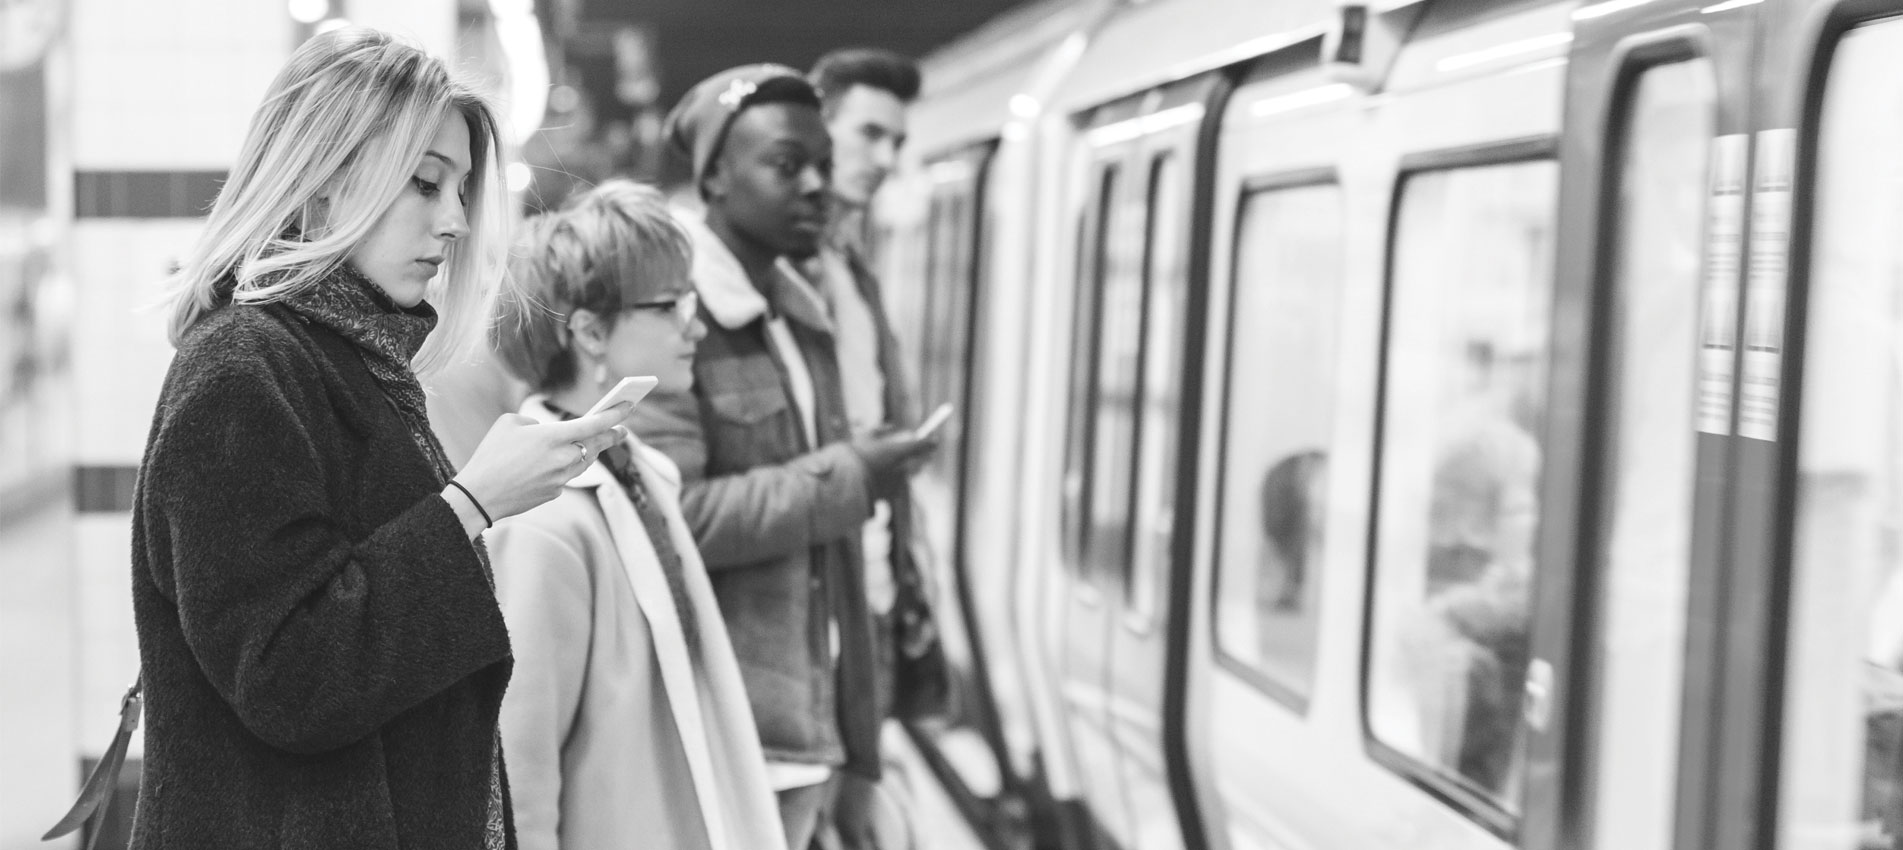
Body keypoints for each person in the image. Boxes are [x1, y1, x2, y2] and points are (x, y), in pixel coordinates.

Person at [129, 28, 632, 849]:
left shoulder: (344, 357)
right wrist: (470, 503)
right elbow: (290, 676)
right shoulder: (242, 371)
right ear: (322, 182)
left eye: (463, 190)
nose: (457, 222)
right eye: (425, 184)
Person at [638, 64, 937, 850]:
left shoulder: (801, 318)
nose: (816, 186)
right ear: (715, 177)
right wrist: (856, 475)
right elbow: (673, 520)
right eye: (784, 164)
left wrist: (860, 740)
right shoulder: (671, 321)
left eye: (822, 166)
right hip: (732, 730)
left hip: (809, 719)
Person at [486, 180, 784, 850]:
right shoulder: (542, 524)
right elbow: (519, 782)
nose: (696, 325)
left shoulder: (632, 468)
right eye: (669, 305)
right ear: (590, 332)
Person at [804, 48, 933, 850]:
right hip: (821, 608)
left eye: (897, 142)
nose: (885, 160)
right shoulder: (781, 269)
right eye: (870, 134)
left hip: (872, 587)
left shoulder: (852, 263)